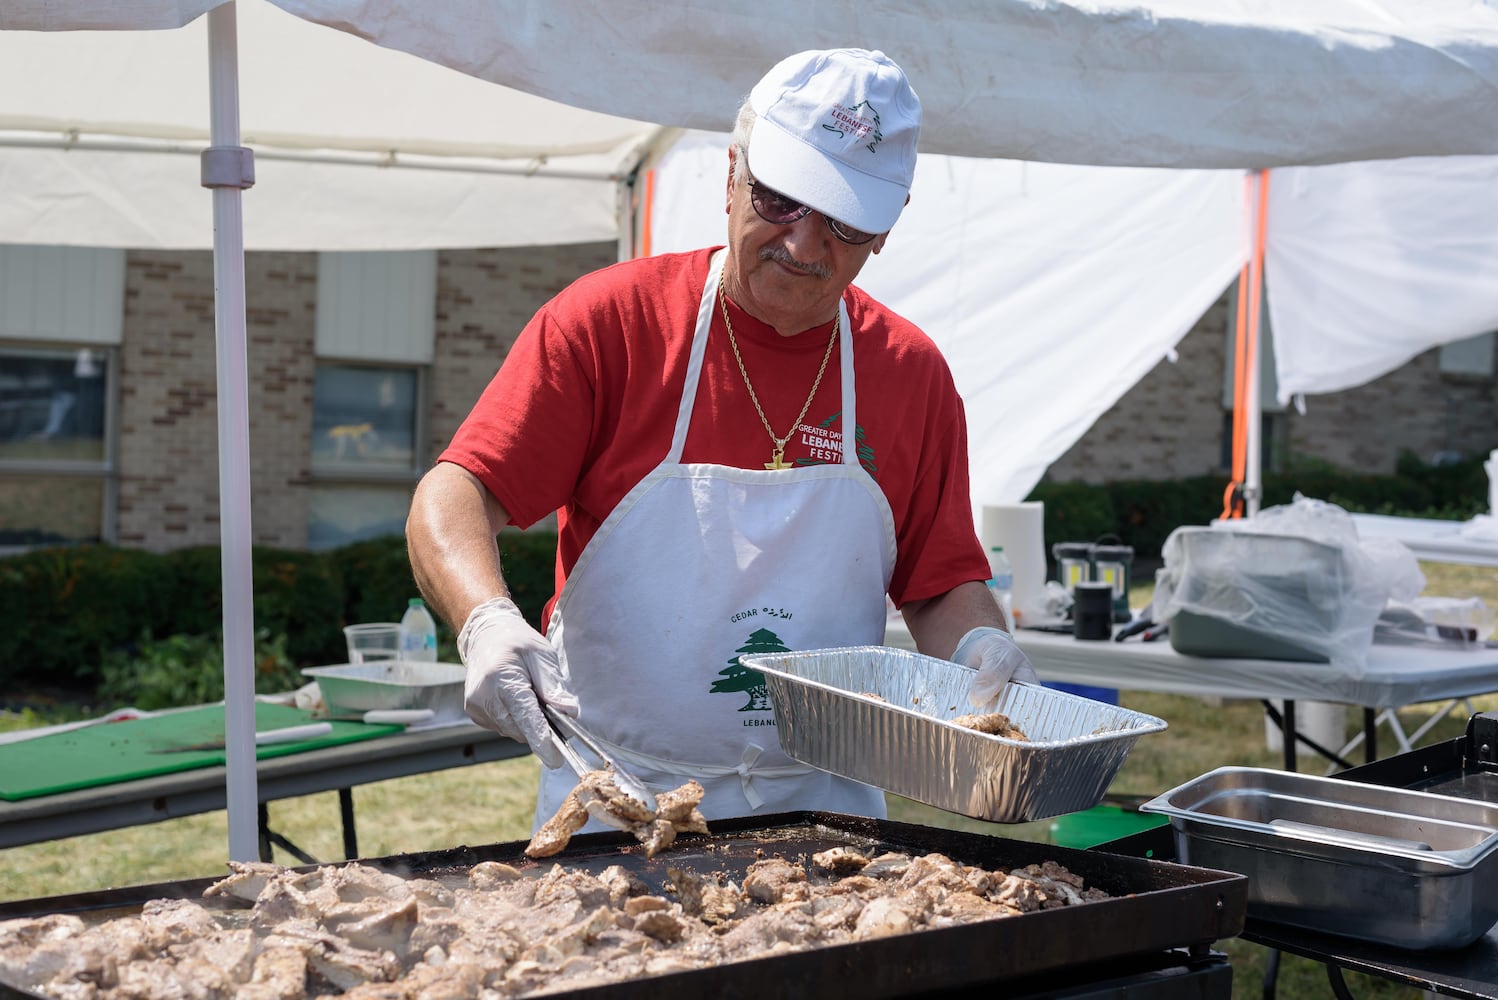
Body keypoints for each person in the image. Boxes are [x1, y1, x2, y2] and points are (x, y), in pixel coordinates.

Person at [406, 47, 1037, 831]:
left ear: (888, 228)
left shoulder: (910, 373)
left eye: (844, 220)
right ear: (732, 173)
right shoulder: (613, 326)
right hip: (618, 801)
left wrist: (980, 648)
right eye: (780, 201)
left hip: (827, 810)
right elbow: (456, 490)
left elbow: (937, 580)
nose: (804, 245)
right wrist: (484, 618)